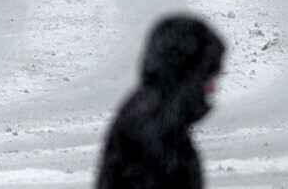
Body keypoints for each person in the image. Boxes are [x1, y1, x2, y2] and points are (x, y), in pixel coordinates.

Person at [95, 14, 225, 189]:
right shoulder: (154, 130)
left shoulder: (151, 114)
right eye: (206, 77)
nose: (211, 89)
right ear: (185, 73)